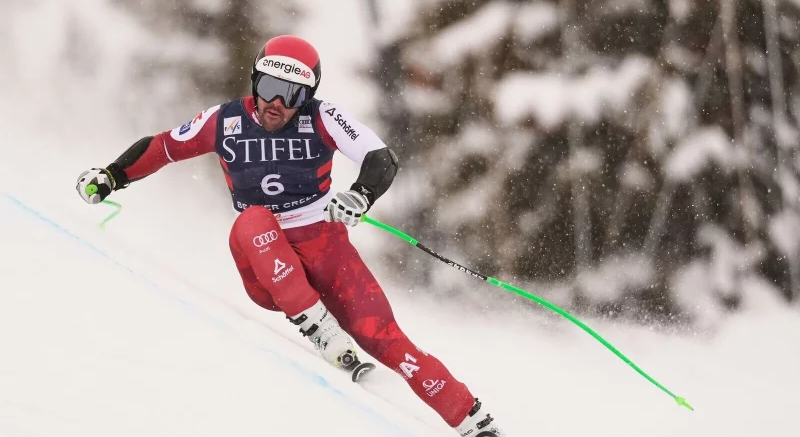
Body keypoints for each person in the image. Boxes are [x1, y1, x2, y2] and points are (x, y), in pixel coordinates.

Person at [75, 35, 506, 437]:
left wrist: (360, 195)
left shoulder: (323, 116)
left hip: (324, 245)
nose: (277, 104)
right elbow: (164, 147)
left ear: (308, 96)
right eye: (268, 87)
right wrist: (112, 175)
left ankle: (473, 420)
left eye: (293, 95)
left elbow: (380, 157)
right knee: (254, 219)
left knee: (385, 336)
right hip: (264, 262)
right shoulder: (224, 120)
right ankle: (316, 325)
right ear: (254, 81)